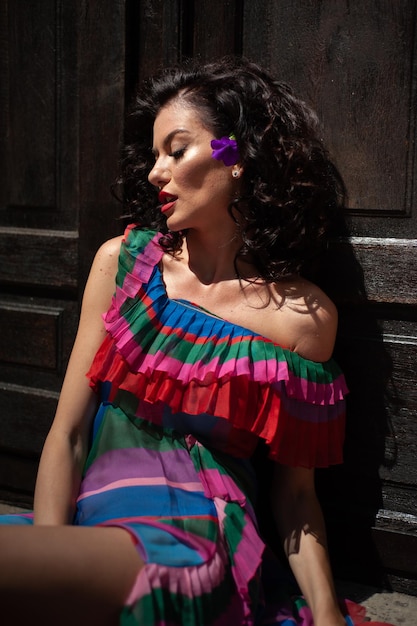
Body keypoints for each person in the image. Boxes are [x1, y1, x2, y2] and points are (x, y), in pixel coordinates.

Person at [0, 57, 392, 626]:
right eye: (154, 155)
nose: (156, 172)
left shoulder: (302, 319)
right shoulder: (124, 265)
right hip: (96, 518)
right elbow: (68, 435)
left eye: (176, 150)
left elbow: (297, 498)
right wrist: (49, 560)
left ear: (237, 156)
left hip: (198, 536)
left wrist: (328, 614)